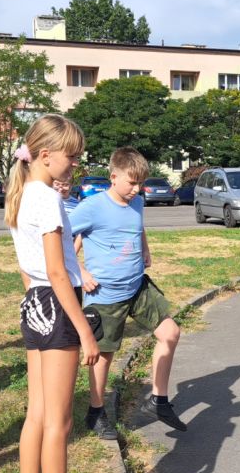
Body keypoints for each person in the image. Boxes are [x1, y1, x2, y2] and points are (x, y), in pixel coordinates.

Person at [6, 114, 105, 473]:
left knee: (37, 416)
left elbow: (30, 270)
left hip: (36, 308)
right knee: (58, 424)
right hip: (59, 307)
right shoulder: (45, 197)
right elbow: (56, 270)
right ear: (46, 155)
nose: (75, 164)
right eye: (72, 156)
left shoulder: (23, 192)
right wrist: (84, 329)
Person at [69, 147, 184, 440]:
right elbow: (62, 240)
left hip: (136, 285)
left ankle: (157, 400)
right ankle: (96, 411)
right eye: (131, 183)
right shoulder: (92, 207)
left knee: (170, 332)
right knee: (103, 355)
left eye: (140, 183)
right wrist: (81, 273)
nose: (136, 190)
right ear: (113, 176)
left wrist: (145, 247)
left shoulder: (138, 203)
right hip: (105, 294)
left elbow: (138, 227)